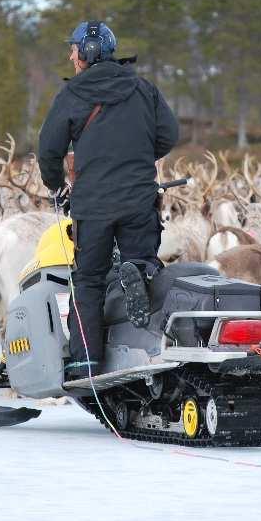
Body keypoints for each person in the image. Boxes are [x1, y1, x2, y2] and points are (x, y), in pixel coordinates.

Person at [38, 21, 179, 381]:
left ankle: (85, 360)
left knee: (88, 281)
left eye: (73, 49)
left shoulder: (72, 95)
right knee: (144, 267)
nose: (70, 55)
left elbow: (48, 150)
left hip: (93, 206)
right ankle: (150, 349)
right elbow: (169, 135)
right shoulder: (143, 88)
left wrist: (56, 184)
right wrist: (138, 154)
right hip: (139, 200)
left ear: (87, 53)